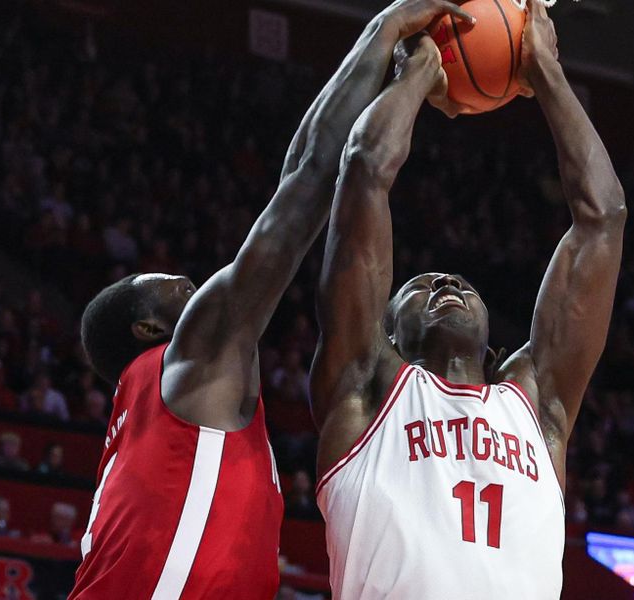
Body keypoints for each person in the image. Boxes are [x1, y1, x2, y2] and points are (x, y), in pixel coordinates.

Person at [69, 2, 474, 598]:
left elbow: (297, 173)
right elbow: (308, 180)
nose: (192, 280)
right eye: (168, 282)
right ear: (148, 329)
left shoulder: (159, 422)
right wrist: (386, 34)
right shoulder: (189, 360)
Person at [310, 3, 626, 598]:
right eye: (420, 286)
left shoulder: (539, 406)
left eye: (460, 285)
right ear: (388, 334)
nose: (446, 287)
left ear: (496, 339)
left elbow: (603, 219)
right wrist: (418, 74)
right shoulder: (364, 387)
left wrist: (546, 70)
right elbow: (365, 168)